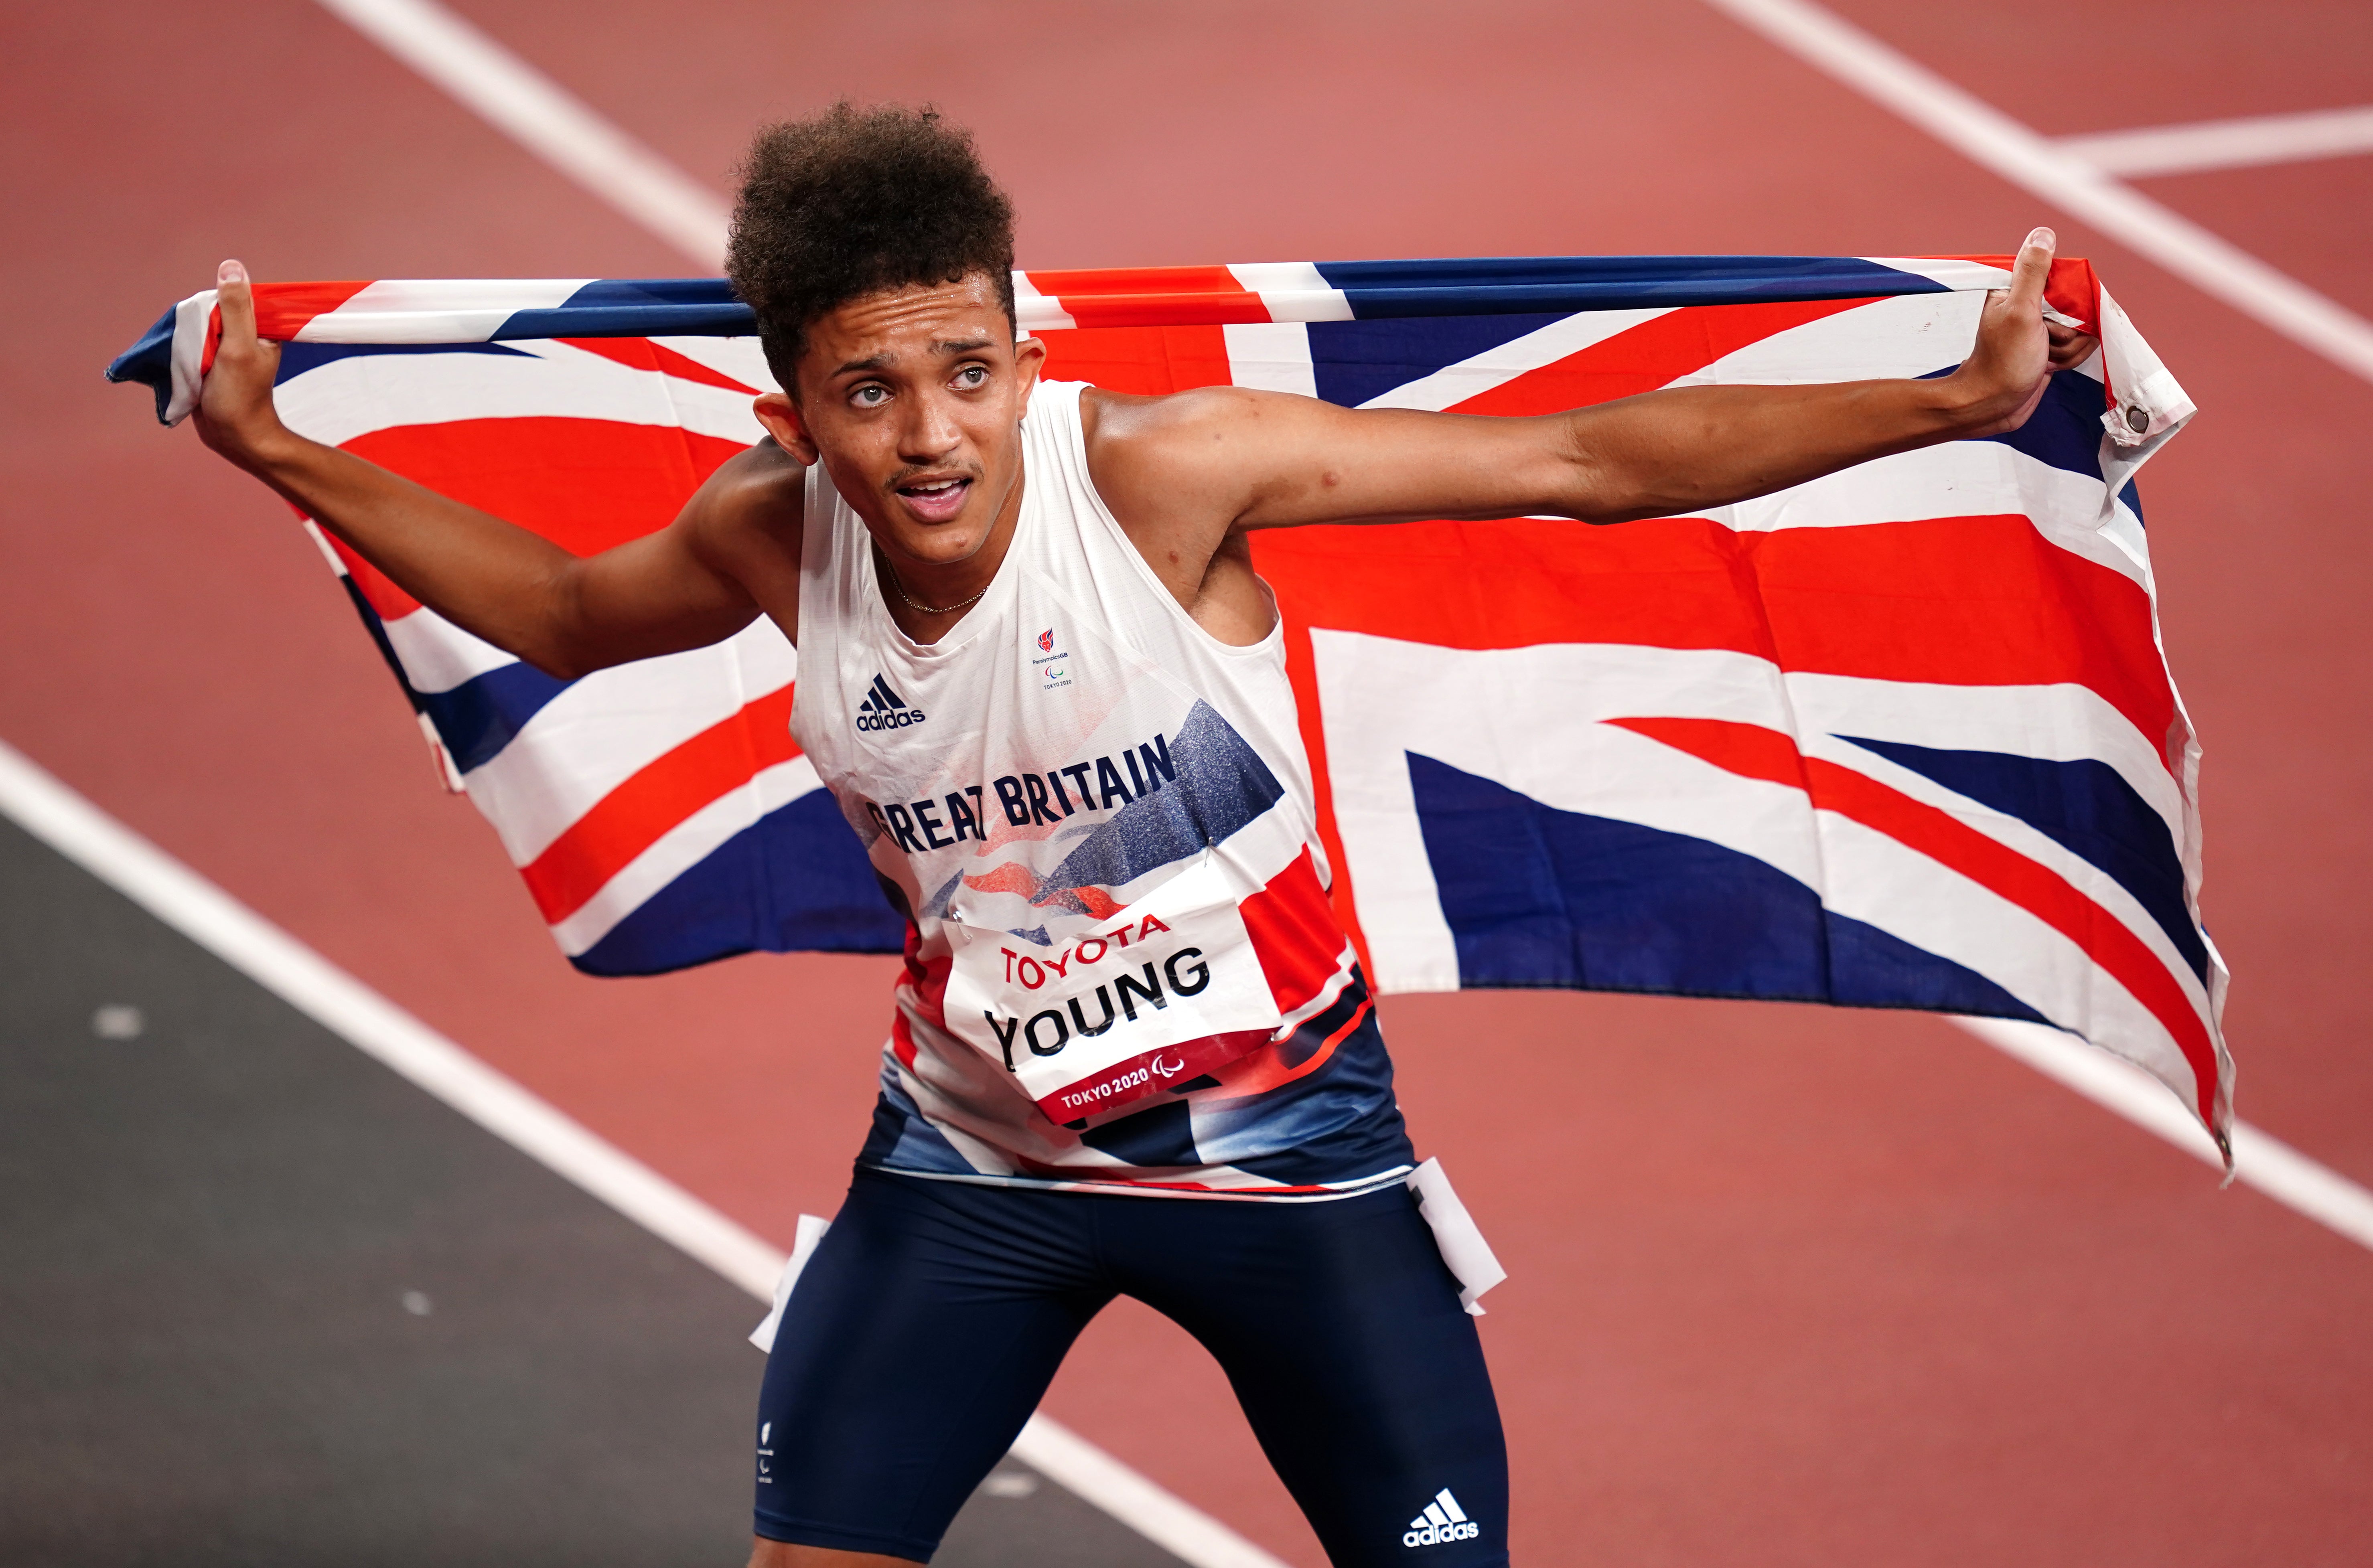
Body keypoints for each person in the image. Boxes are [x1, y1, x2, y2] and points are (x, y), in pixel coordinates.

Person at [191, 101, 2096, 1568]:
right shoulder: (772, 531)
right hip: (971, 1172)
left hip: (1296, 1184)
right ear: (795, 410)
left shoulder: (1162, 477)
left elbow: (1588, 465)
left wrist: (1953, 398)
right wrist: (280, 450)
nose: (934, 435)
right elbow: (562, 613)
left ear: (1023, 354)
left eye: (969, 371)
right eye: (871, 390)